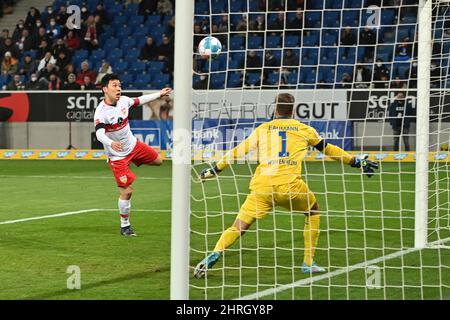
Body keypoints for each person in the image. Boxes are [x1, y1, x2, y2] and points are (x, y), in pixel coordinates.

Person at [193, 93, 378, 278]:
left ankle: (215, 253)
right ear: (293, 109)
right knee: (313, 210)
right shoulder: (304, 129)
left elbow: (237, 152)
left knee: (239, 225)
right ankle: (308, 262)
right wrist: (355, 162)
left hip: (262, 186)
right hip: (290, 187)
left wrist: (214, 170)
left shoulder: (262, 129)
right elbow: (330, 149)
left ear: (275, 109)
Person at [94, 74, 172, 236]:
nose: (119, 88)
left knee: (159, 161)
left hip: (133, 146)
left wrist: (159, 94)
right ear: (105, 89)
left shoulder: (124, 101)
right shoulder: (101, 112)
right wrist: (111, 143)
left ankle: (133, 165)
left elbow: (140, 100)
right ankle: (125, 226)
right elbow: (100, 134)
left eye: (119, 85)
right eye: (114, 85)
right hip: (117, 156)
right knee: (127, 192)